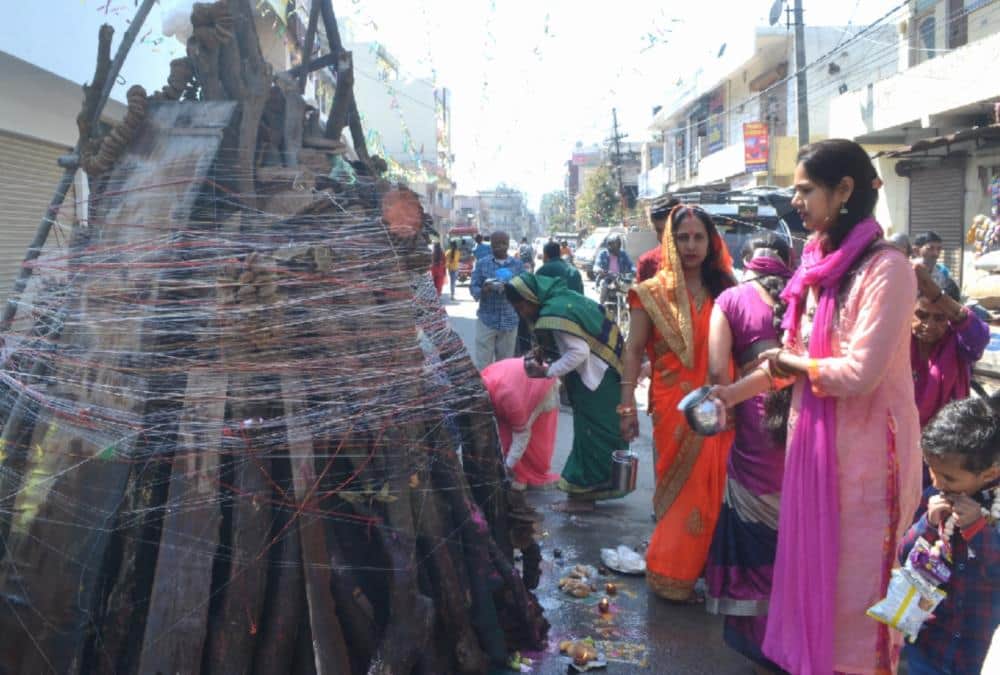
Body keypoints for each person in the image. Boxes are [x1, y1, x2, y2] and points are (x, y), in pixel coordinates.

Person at [711, 139, 922, 674]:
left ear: (844, 190)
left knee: (857, 604)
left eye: (805, 190)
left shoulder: (887, 269)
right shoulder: (816, 270)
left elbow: (858, 373)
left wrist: (794, 364)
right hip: (813, 455)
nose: (796, 202)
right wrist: (728, 397)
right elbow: (790, 364)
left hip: (871, 463)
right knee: (816, 590)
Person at [619, 204, 737, 602]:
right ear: (669, 240)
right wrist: (624, 407)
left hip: (721, 405)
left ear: (710, 240)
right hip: (674, 409)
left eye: (698, 237)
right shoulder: (649, 293)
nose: (690, 245)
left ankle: (706, 569)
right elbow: (633, 351)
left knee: (715, 490)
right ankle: (671, 573)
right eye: (682, 237)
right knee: (679, 493)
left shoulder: (728, 289)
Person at [704, 233, 793, 669]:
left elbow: (718, 370)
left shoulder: (731, 300)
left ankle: (761, 639)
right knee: (798, 533)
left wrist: (730, 405)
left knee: (754, 530)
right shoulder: (807, 293)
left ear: (746, 261)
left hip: (756, 425)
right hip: (807, 427)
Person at [505, 273, 627, 510]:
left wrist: (548, 371)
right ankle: (598, 490)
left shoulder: (554, 312)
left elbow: (578, 351)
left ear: (531, 298)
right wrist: (545, 351)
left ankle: (582, 498)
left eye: (521, 305)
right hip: (608, 374)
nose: (522, 312)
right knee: (600, 435)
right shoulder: (560, 298)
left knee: (590, 437)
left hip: (596, 379)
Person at [897, 395, 1000, 675]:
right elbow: (905, 554)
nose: (938, 483)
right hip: (929, 641)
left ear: (990, 473)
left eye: (950, 478)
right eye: (932, 471)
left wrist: (979, 530)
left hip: (974, 649)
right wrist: (928, 525)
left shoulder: (995, 507)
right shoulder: (935, 496)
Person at [911, 262, 989, 430]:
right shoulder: (896, 341)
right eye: (921, 315)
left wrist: (938, 295)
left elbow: (979, 337)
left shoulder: (958, 343)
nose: (929, 325)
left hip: (945, 440)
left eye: (939, 318)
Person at [480, 357, 560, 490]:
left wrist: (508, 466)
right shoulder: (485, 381)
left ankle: (520, 473)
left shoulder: (511, 400)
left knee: (533, 435)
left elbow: (522, 435)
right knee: (508, 433)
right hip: (524, 377)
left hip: (541, 385)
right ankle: (516, 470)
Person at [470, 231, 523, 368]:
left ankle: (501, 390)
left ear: (508, 244)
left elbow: (525, 289)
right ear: (491, 245)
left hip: (509, 321)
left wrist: (513, 289)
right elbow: (473, 287)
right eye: (496, 244)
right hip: (487, 320)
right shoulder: (482, 264)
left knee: (505, 366)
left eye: (503, 243)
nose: (500, 246)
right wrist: (483, 290)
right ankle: (485, 389)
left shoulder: (517, 265)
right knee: (483, 364)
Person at [637, 197, 681, 282]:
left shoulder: (697, 260)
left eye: (670, 230)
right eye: (659, 230)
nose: (665, 237)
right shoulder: (647, 263)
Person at [913, 231, 960, 301]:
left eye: (939, 249)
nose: (936, 254)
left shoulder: (942, 274)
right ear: (916, 251)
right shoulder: (907, 271)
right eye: (930, 248)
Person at [594, 234, 635, 306]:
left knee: (631, 288)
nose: (615, 246)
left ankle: (629, 310)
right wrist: (599, 270)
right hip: (606, 278)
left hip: (619, 279)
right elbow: (596, 265)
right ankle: (602, 306)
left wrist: (635, 271)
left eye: (617, 244)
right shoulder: (603, 254)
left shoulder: (623, 254)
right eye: (613, 244)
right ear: (609, 245)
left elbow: (630, 265)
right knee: (604, 285)